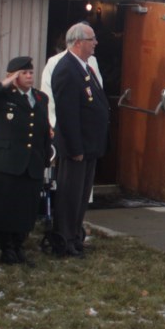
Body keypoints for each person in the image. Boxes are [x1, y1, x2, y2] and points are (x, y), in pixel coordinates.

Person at [0, 56, 51, 265]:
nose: (29, 76)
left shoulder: (41, 98)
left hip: (31, 163)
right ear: (12, 76)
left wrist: (45, 157)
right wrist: (4, 83)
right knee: (4, 207)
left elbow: (43, 130)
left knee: (25, 208)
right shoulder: (1, 96)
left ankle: (18, 245)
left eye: (31, 72)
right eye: (23, 73)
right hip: (5, 163)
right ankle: (6, 247)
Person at [51, 22, 110, 257]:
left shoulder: (84, 67)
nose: (95, 43)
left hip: (89, 145)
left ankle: (75, 236)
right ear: (77, 43)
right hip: (76, 147)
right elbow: (67, 114)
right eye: (91, 39)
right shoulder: (66, 68)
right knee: (70, 195)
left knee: (82, 195)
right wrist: (75, 147)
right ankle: (63, 240)